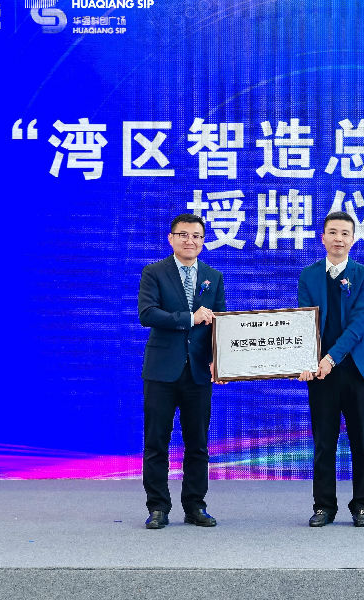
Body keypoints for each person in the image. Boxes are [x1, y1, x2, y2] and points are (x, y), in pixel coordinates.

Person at [138, 213, 226, 529]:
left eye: (197, 236)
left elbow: (221, 324)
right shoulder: (154, 272)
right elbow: (148, 314)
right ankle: (158, 507)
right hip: (161, 371)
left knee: (197, 444)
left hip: (199, 372)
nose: (190, 241)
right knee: (156, 442)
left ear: (203, 241)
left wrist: (220, 360)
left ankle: (195, 505)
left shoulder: (213, 276)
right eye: (184, 235)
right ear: (171, 238)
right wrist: (189, 318)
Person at [298, 211, 364, 527]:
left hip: (357, 370)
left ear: (353, 239)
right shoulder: (308, 276)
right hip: (321, 372)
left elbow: (358, 324)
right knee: (324, 442)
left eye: (345, 233)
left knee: (362, 442)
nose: (339, 238)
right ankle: (324, 506)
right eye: (333, 232)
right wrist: (304, 360)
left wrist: (330, 358)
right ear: (322, 238)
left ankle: (362, 506)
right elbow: (304, 324)